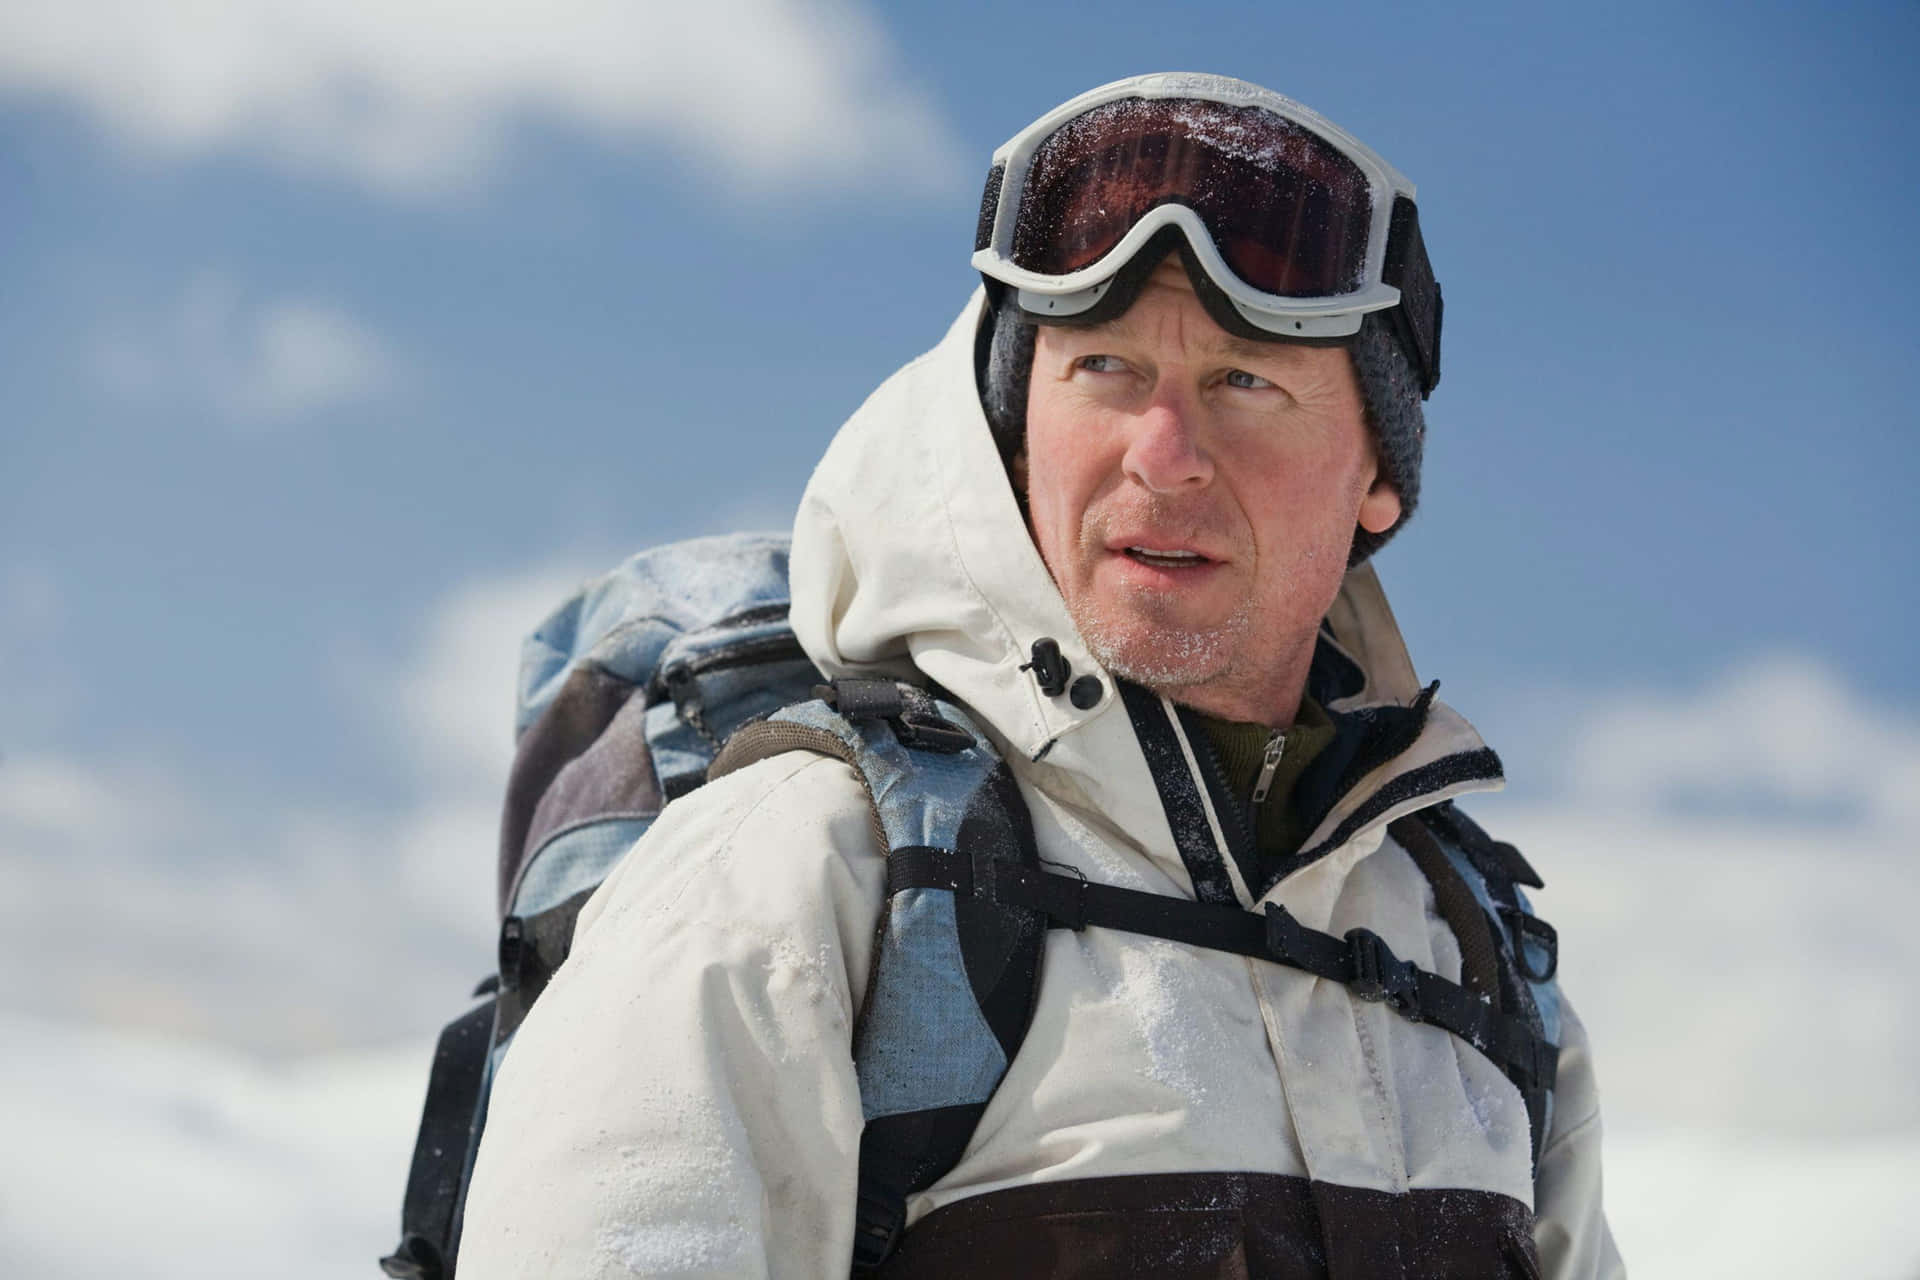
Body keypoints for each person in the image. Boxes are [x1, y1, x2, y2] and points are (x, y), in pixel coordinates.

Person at [459, 72, 1623, 1278]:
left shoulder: (1472, 955)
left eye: (1246, 381)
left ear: (1376, 476)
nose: (1164, 457)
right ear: (1017, 434)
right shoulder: (810, 869)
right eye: (1105, 370)